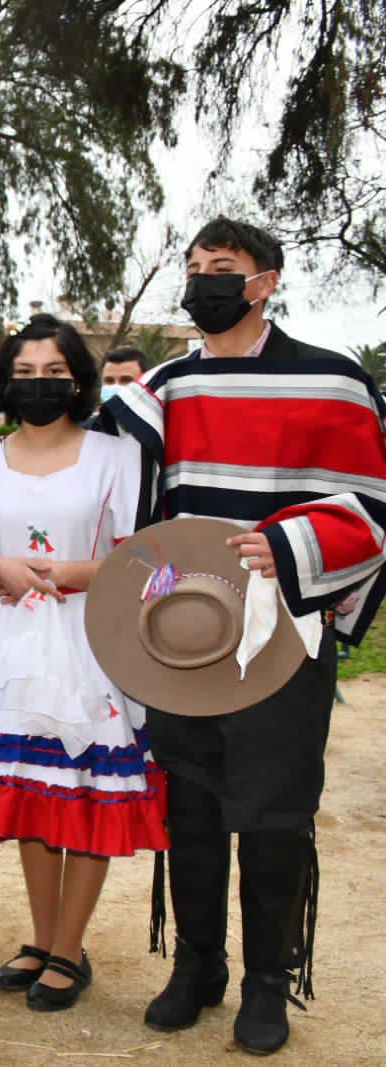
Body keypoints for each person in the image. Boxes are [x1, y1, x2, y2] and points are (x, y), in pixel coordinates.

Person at [102, 217, 386, 1054]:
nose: (202, 281)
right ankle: (198, 965)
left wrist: (292, 543)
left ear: (264, 282)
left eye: (221, 268)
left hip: (282, 630)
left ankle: (268, 979)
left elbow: (371, 508)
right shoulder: (166, 388)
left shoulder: (334, 382)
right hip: (183, 632)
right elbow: (122, 484)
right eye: (193, 268)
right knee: (189, 803)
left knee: (272, 812)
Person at [0, 314, 168, 1012]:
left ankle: (70, 951)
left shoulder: (118, 456)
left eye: (53, 372)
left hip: (89, 640)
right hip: (10, 640)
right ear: (4, 380)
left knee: (87, 788)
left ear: (78, 379)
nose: (38, 384)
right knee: (36, 794)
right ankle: (45, 939)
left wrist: (76, 569)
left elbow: (149, 562)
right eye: (25, 372)